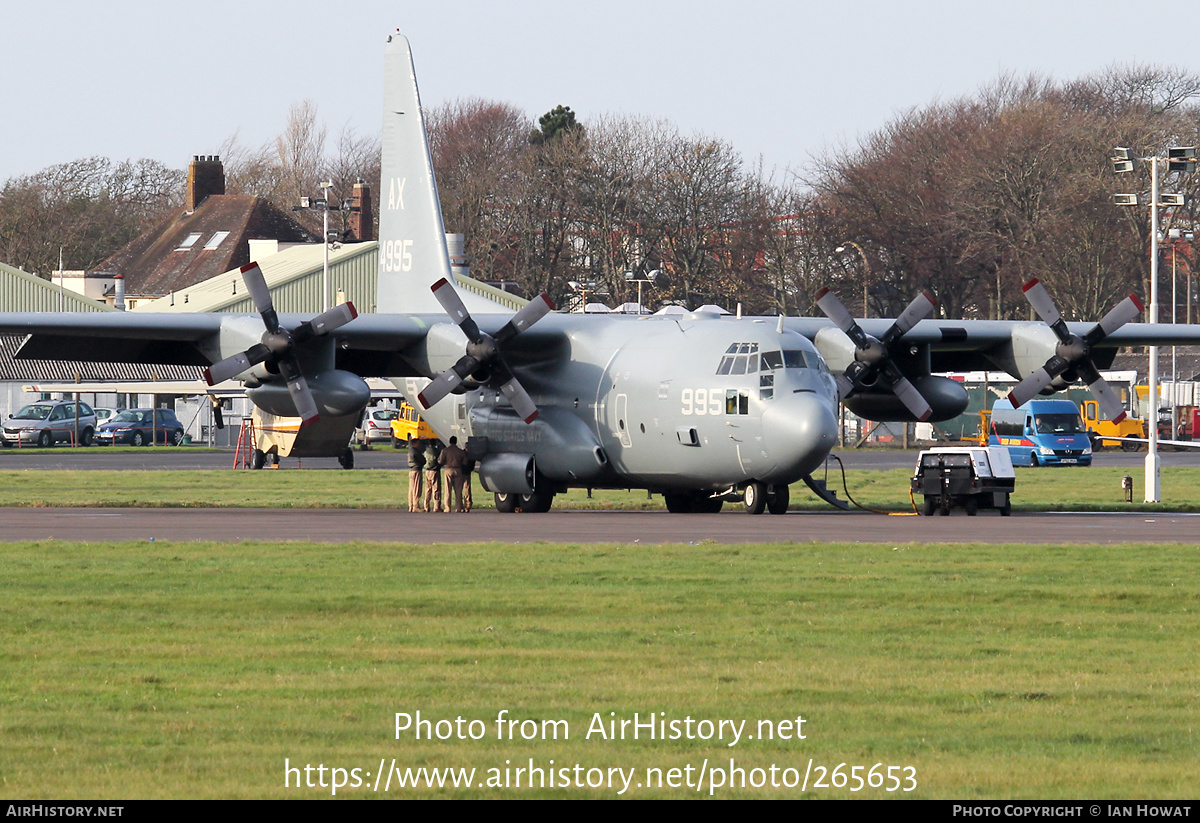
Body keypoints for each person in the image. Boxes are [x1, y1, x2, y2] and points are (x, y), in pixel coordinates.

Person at [439, 436, 469, 513]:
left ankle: (447, 507)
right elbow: (465, 462)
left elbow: (441, 461)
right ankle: (458, 507)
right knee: (458, 490)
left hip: (448, 469)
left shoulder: (445, 451)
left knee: (447, 489)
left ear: (449, 442)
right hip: (458, 469)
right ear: (456, 442)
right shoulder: (460, 451)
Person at [406, 436, 426, 512]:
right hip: (417, 470)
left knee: (411, 489)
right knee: (417, 488)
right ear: (415, 443)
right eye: (418, 443)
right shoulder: (416, 452)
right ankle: (416, 505)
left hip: (411, 470)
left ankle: (411, 505)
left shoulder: (410, 451)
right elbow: (423, 460)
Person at [423, 439, 443, 513]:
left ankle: (426, 506)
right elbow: (440, 460)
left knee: (428, 489)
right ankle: (436, 506)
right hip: (435, 471)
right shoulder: (436, 451)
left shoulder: (426, 452)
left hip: (427, 471)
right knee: (436, 489)